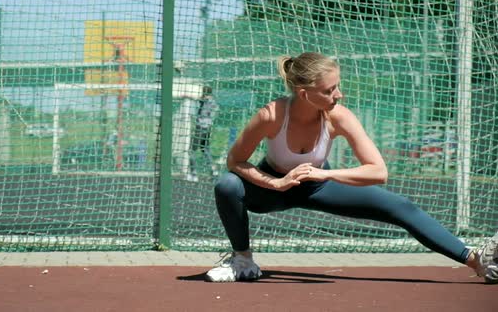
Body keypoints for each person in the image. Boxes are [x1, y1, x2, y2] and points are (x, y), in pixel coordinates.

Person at [205, 52, 498, 283]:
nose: (339, 94)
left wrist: (325, 174)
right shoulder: (270, 115)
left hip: (318, 186)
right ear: (306, 94)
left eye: (338, 86)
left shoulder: (338, 117)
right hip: (272, 191)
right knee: (227, 185)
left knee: (400, 205)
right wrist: (276, 184)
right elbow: (235, 161)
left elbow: (378, 171)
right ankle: (242, 259)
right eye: (330, 89)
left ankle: (477, 261)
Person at [187, 86, 219, 182]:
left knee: (191, 151)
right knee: (205, 149)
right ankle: (213, 171)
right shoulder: (213, 102)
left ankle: (193, 174)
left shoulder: (205, 101)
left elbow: (200, 101)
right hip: (208, 128)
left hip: (201, 127)